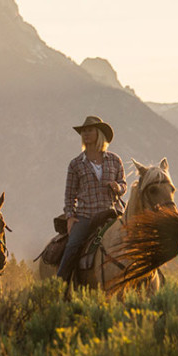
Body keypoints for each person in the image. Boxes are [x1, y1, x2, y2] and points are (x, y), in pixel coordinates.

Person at [56, 115, 127, 282]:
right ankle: (59, 285)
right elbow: (69, 195)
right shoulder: (76, 164)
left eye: (89, 130)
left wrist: (118, 187)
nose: (85, 133)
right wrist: (70, 217)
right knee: (72, 246)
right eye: (84, 131)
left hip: (111, 214)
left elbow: (123, 184)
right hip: (86, 216)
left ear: (99, 134)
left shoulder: (115, 161)